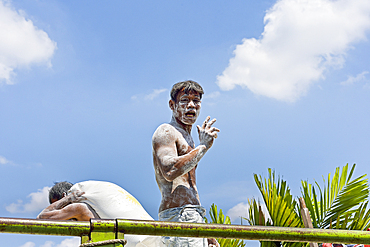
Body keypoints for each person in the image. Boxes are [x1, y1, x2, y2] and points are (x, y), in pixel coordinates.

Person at [152, 80, 220, 247]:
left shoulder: (188, 138)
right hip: (179, 215)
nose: (191, 105)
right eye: (184, 100)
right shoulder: (166, 131)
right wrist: (203, 147)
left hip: (193, 215)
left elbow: (190, 190)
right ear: (172, 104)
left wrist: (205, 230)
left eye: (196, 101)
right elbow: (170, 170)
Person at [37, 180, 162, 247]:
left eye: (57, 205)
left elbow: (41, 219)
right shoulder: (97, 199)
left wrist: (67, 200)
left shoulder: (79, 207)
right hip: (156, 239)